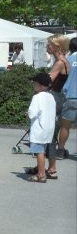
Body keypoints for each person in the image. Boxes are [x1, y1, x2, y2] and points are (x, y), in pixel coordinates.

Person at [44, 34, 71, 174]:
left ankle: (50, 168)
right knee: (51, 133)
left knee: (49, 134)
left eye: (49, 44)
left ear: (57, 46)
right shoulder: (65, 61)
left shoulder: (60, 62)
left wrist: (36, 80)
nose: (47, 46)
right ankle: (46, 166)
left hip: (54, 97)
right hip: (59, 97)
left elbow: (47, 82)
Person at [27, 73, 57, 182]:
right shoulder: (51, 96)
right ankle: (44, 172)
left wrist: (27, 113)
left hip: (39, 129)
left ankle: (41, 174)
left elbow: (32, 113)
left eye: (34, 83)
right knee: (43, 151)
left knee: (39, 152)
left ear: (40, 85)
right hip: (49, 129)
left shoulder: (37, 97)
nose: (33, 85)